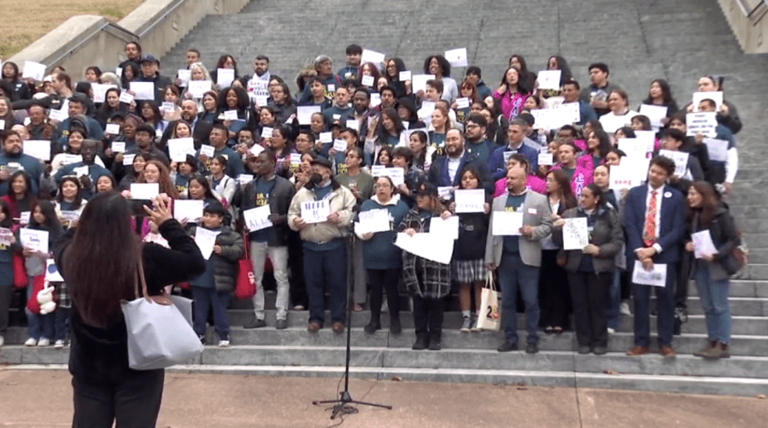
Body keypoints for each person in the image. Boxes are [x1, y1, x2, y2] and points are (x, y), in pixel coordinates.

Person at [54, 193, 205, 427]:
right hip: (139, 359)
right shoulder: (146, 256)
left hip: (89, 363)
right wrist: (168, 224)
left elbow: (61, 241)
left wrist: (95, 213)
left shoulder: (71, 256)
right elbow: (195, 263)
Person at [624, 156, 685, 359]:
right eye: (653, 171)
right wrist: (640, 251)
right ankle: (641, 341)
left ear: (667, 176)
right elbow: (630, 224)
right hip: (639, 253)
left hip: (664, 255)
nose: (655, 175)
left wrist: (655, 249)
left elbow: (678, 229)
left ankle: (665, 342)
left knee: (666, 300)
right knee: (640, 299)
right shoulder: (635, 194)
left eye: (660, 173)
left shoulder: (675, 196)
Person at [486, 168, 552, 354]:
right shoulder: (498, 201)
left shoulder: (538, 200)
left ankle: (532, 338)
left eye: (513, 178)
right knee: (507, 301)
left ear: (524, 180)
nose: (508, 180)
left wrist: (533, 231)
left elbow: (548, 226)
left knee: (530, 300)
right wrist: (490, 257)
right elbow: (492, 231)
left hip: (528, 257)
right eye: (507, 177)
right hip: (505, 257)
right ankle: (510, 338)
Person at [288, 157, 356, 333]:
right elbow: (292, 213)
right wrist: (296, 222)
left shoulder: (342, 192)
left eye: (319, 169)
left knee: (337, 283)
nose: (315, 173)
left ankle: (338, 318)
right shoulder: (303, 193)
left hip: (334, 244)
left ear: (328, 172)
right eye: (313, 170)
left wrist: (340, 217)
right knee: (313, 283)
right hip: (310, 245)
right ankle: (316, 318)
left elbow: (352, 213)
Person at [554, 184, 624, 354]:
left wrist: (599, 250)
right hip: (576, 267)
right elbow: (558, 242)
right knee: (580, 305)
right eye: (581, 196)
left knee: (597, 305)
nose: (582, 199)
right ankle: (583, 341)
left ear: (597, 198)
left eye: (586, 196)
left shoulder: (608, 214)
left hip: (599, 267)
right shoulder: (570, 214)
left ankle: (600, 341)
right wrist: (557, 228)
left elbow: (617, 241)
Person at [684, 181, 740, 359]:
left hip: (717, 265)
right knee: (708, 306)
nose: (690, 197)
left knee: (719, 305)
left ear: (704, 195)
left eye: (694, 194)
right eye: (689, 194)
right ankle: (712, 341)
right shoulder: (694, 215)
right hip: (700, 265)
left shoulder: (720, 213)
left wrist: (716, 255)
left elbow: (733, 239)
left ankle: (723, 344)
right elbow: (687, 236)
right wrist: (688, 244)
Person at [242, 150, 295, 330]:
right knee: (256, 278)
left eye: (261, 162)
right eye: (256, 162)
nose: (257, 165)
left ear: (273, 163)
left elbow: (294, 213)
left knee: (281, 276)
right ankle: (259, 315)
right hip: (257, 237)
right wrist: (245, 223)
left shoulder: (286, 186)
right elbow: (244, 209)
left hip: (277, 238)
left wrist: (281, 218)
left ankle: (281, 315)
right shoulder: (251, 186)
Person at [398, 182, 452, 350]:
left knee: (436, 303)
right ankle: (420, 336)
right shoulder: (411, 214)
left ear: (432, 198)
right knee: (419, 303)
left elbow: (458, 232)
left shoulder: (443, 214)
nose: (419, 199)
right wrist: (406, 232)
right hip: (415, 266)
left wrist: (449, 218)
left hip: (436, 266)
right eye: (418, 196)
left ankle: (435, 336)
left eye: (423, 196)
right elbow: (398, 233)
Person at [356, 175, 409, 334]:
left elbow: (407, 226)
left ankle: (394, 320)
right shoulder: (367, 205)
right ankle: (374, 320)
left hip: (392, 254)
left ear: (392, 188)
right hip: (372, 253)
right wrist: (362, 234)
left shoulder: (401, 207)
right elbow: (357, 224)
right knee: (375, 289)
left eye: (385, 185)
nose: (381, 188)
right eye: (378, 185)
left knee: (392, 288)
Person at [188, 200, 242, 347]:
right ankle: (198, 334)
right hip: (199, 277)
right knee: (199, 310)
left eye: (213, 216)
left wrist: (222, 250)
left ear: (221, 218)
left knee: (220, 309)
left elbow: (239, 250)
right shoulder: (194, 232)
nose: (209, 219)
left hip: (220, 278)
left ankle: (223, 335)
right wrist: (189, 243)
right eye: (206, 215)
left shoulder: (230, 235)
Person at [447, 164, 491, 332]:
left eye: (471, 178)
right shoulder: (454, 199)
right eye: (464, 179)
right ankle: (466, 317)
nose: (468, 181)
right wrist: (450, 211)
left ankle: (480, 317)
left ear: (478, 180)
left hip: (480, 245)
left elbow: (492, 225)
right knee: (464, 284)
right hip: (461, 246)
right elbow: (447, 221)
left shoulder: (486, 198)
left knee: (479, 283)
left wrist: (488, 211)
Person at [16, 200, 62, 347]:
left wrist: (48, 254)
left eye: (42, 212)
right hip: (32, 270)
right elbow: (19, 247)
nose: (38, 215)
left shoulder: (57, 231)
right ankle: (33, 334)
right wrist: (23, 251)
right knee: (31, 303)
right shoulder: (28, 229)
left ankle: (47, 335)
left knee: (47, 303)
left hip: (49, 272)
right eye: (35, 212)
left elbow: (61, 250)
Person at [538, 170, 578, 335]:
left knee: (560, 286)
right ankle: (546, 320)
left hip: (561, 249)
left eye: (551, 180)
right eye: (546, 180)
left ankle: (560, 320)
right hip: (542, 248)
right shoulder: (541, 200)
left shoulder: (569, 201)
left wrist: (562, 222)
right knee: (545, 285)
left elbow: (576, 227)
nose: (547, 183)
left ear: (560, 183)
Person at [0, 131, 43, 197]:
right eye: (11, 142)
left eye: (18, 141)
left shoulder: (34, 162)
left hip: (28, 203)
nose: (15, 144)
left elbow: (41, 185)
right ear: (3, 145)